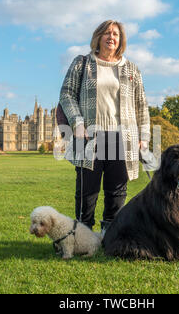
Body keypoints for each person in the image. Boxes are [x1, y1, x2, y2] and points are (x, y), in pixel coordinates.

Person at [59, 20, 150, 234]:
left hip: (122, 136)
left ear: (121, 40)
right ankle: (82, 235)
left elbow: (141, 104)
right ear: (98, 37)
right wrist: (77, 123)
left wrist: (143, 136)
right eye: (107, 33)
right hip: (88, 135)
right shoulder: (82, 64)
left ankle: (110, 236)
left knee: (116, 191)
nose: (112, 37)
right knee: (86, 191)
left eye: (116, 34)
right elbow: (66, 94)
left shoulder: (131, 68)